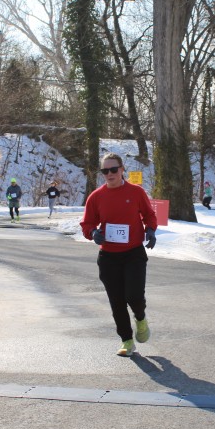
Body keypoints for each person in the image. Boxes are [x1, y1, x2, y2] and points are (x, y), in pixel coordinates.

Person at [80, 153, 158, 357]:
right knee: (117, 301)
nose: (109, 174)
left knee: (134, 296)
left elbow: (149, 215)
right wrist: (93, 233)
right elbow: (87, 223)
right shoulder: (96, 196)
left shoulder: (136, 192)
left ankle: (140, 318)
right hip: (108, 257)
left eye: (113, 169)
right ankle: (127, 341)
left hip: (133, 253)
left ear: (122, 169)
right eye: (105, 171)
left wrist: (150, 230)